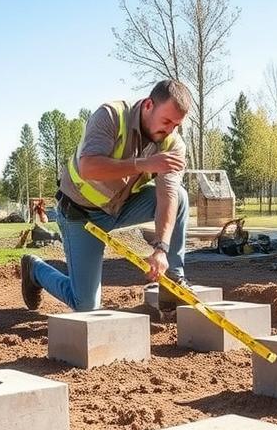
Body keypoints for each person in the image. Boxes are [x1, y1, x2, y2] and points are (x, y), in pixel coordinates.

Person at [20, 79, 191, 312]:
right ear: (149, 105)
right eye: (166, 121)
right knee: (86, 306)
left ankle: (173, 279)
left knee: (180, 196)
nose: (170, 130)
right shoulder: (111, 116)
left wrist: (161, 249)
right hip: (81, 215)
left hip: (121, 207)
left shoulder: (173, 144)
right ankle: (35, 270)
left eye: (176, 124)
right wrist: (144, 164)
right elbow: (89, 168)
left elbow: (168, 195)